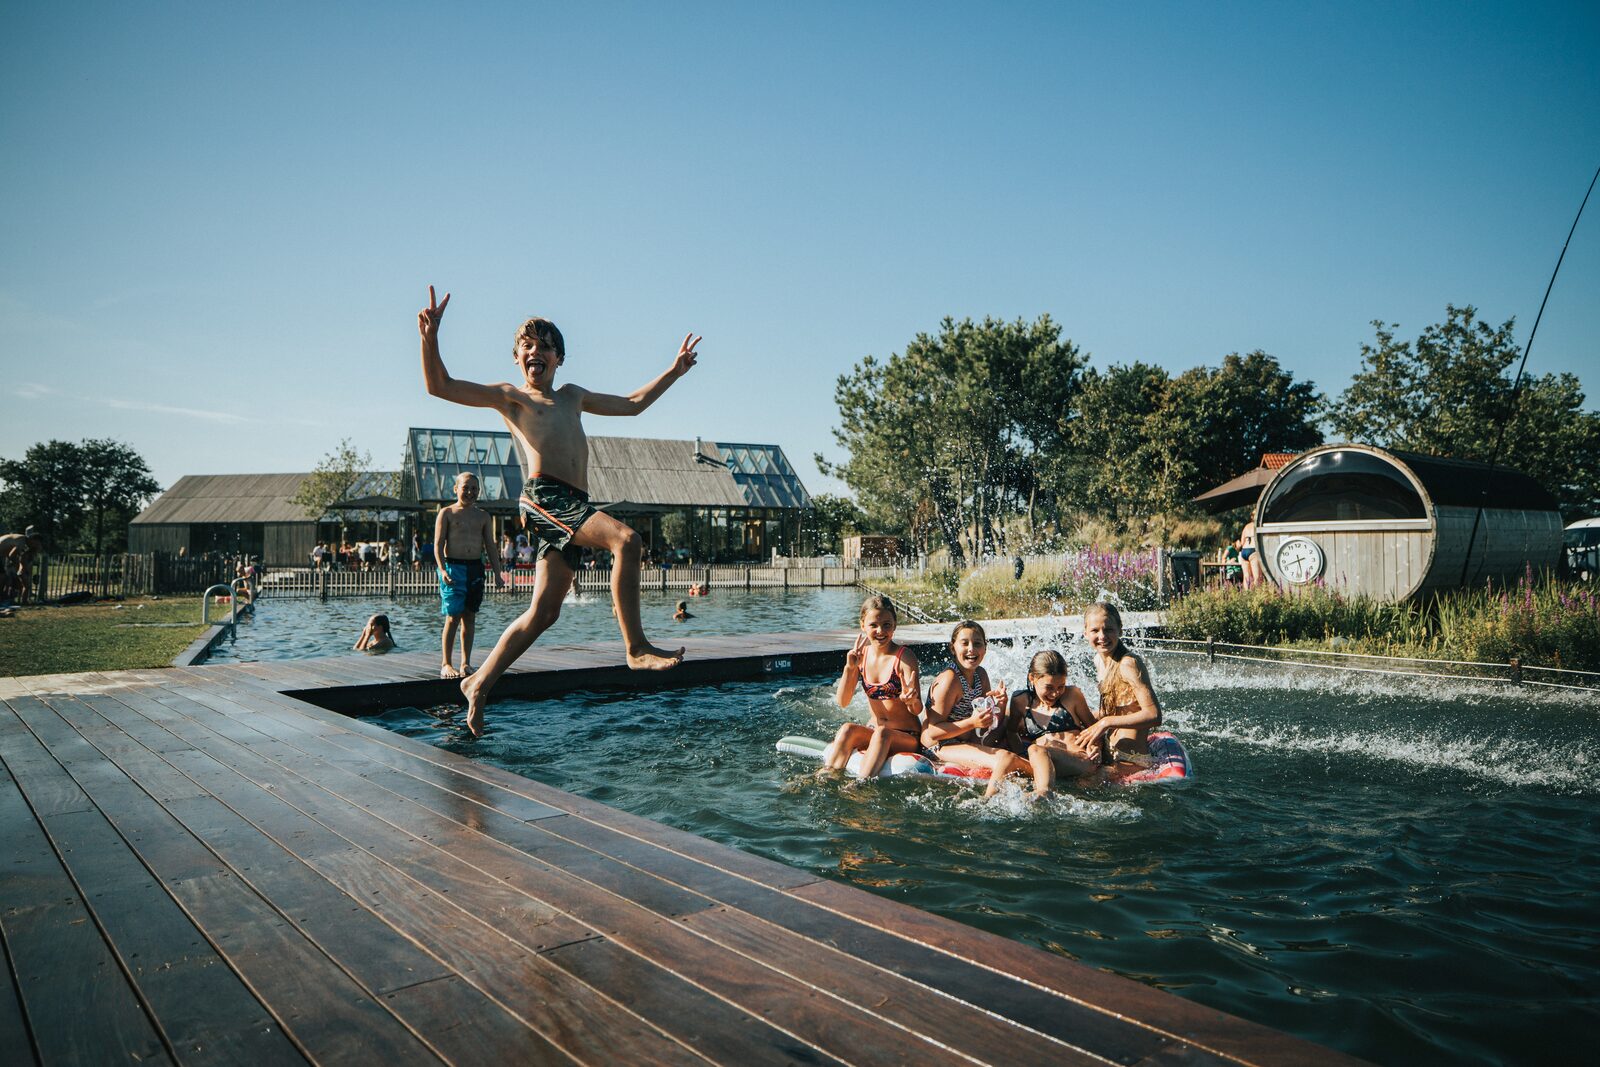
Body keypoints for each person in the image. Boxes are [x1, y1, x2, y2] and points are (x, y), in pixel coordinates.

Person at [419, 286, 696, 736]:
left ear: (559, 358)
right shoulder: (512, 397)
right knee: (627, 540)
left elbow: (632, 405)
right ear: (516, 358)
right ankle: (636, 646)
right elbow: (440, 386)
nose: (536, 351)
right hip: (545, 497)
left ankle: (479, 682)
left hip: (573, 506)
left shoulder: (572, 396)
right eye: (527, 346)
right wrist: (430, 338)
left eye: (545, 346)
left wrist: (674, 371)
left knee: (545, 613)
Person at [920, 621, 1029, 798]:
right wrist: (972, 722)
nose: (971, 649)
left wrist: (1000, 704)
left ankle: (1026, 759)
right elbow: (932, 733)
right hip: (941, 746)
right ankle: (988, 800)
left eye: (977, 643)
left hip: (969, 736)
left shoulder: (981, 675)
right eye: (964, 643)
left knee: (1013, 720)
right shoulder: (949, 680)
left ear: (985, 648)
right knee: (1005, 758)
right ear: (952, 647)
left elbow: (989, 723)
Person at [822, 595, 923, 779]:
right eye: (873, 625)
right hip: (875, 732)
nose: (880, 631)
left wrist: (912, 700)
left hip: (906, 737)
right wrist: (850, 668)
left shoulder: (905, 657)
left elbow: (917, 710)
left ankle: (861, 783)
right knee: (847, 729)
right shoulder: (861, 656)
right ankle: (825, 776)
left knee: (883, 733)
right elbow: (843, 702)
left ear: (894, 625)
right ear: (863, 625)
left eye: (887, 625)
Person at [434, 471, 506, 679]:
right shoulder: (447, 513)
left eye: (474, 488)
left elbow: (490, 546)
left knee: (470, 616)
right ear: (456, 489)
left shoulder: (483, 516)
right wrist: (442, 569)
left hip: (475, 568)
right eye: (465, 487)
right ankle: (446, 663)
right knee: (452, 617)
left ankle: (465, 663)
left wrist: (498, 573)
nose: (470, 492)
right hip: (453, 567)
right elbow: (439, 545)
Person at [1002, 649, 1101, 796]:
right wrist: (1020, 753)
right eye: (1049, 687)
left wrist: (1096, 747)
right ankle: (985, 801)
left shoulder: (1072, 695)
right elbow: (1011, 731)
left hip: (1079, 761)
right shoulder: (1020, 701)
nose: (1055, 693)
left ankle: (1044, 793)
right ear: (1032, 678)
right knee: (1008, 759)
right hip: (1044, 764)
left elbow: (1094, 728)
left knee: (1036, 749)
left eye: (1060, 686)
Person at [1079, 601, 1163, 758]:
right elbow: (1115, 710)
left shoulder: (1128, 664)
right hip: (1111, 752)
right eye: (1095, 630)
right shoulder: (1099, 660)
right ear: (1085, 633)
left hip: (1133, 759)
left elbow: (1154, 715)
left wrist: (1106, 722)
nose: (1102, 636)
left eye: (1109, 629)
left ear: (1120, 630)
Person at [0, 526, 45, 605]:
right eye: (36, 543)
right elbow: (11, 556)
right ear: (32, 540)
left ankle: (2, 598)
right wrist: (18, 567)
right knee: (2, 577)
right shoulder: (22, 541)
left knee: (3, 577)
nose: (34, 546)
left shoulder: (20, 541)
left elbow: (9, 553)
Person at [1240, 520, 1263, 589]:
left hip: (1244, 551)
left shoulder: (1246, 526)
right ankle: (1256, 595)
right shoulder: (1258, 524)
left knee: (1246, 576)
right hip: (1253, 550)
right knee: (1257, 577)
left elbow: (1242, 542)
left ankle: (1247, 595)